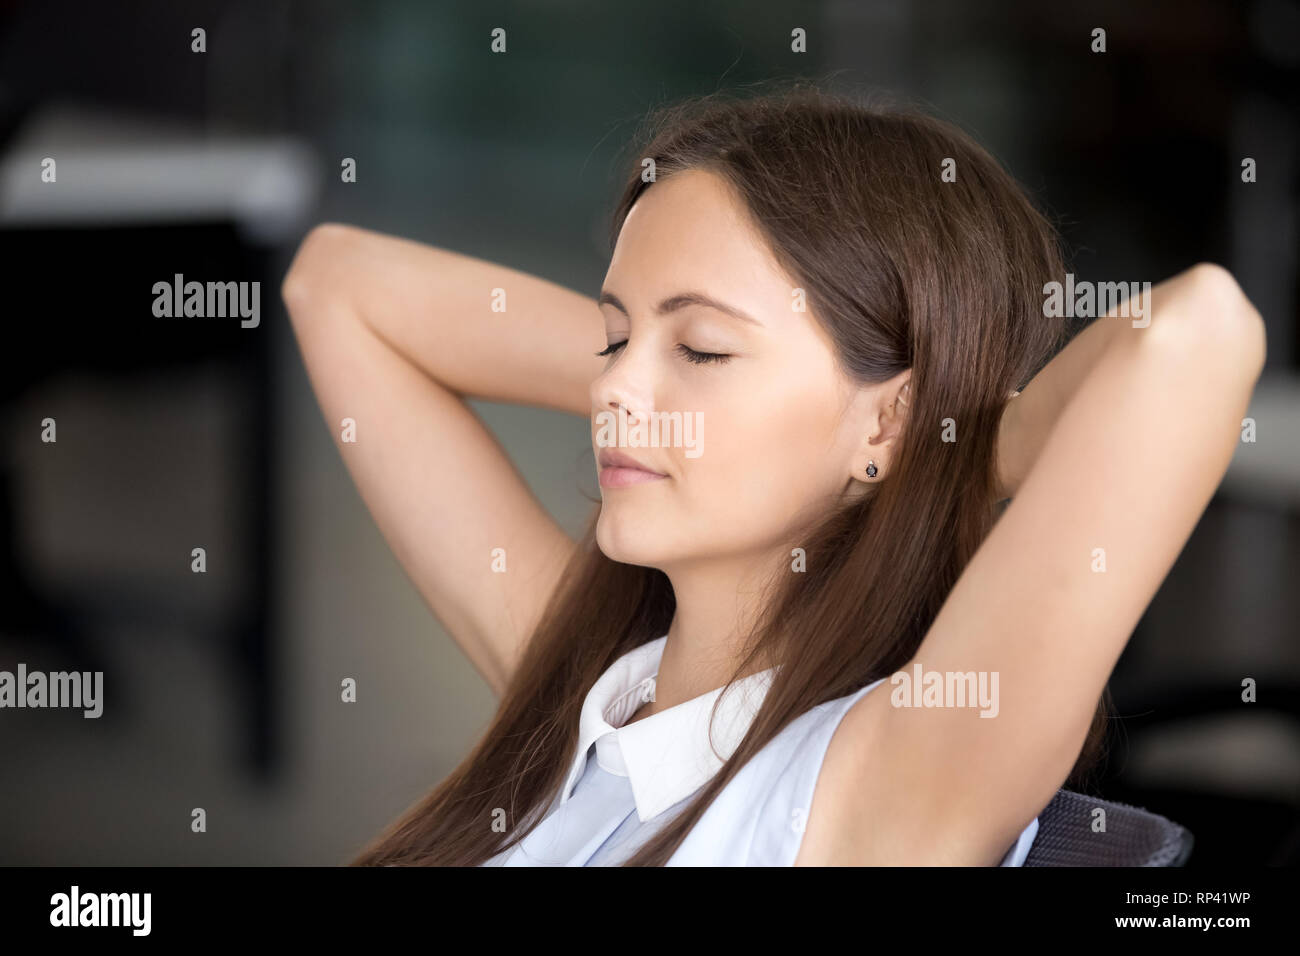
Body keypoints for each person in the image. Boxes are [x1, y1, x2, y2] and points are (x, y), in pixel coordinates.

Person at [280, 82, 1266, 866]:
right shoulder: (590, 692)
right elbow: (335, 283)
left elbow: (1192, 335)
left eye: (702, 347)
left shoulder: (876, 785)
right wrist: (660, 365)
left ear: (887, 413)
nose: (612, 388)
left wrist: (946, 443)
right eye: (614, 332)